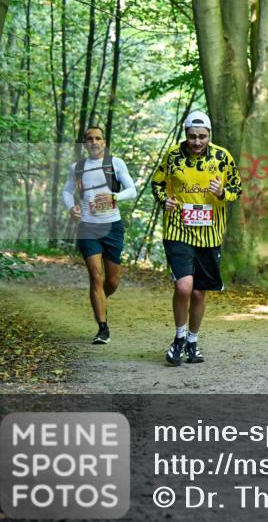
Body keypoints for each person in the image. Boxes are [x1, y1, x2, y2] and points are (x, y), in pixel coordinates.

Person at [151, 112, 242, 366]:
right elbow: (157, 183)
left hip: (210, 232)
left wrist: (223, 192)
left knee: (200, 293)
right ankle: (178, 338)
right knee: (183, 286)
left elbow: (237, 187)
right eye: (192, 136)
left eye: (202, 137)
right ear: (185, 134)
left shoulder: (222, 157)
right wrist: (164, 200)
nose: (197, 142)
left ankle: (192, 341)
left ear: (209, 135)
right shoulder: (173, 156)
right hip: (178, 229)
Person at [61, 126, 137, 344]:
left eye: (98, 138)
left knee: (112, 281)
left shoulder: (115, 163)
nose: (93, 142)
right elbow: (67, 191)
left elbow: (132, 190)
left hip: (112, 226)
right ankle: (102, 328)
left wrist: (114, 198)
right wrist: (71, 207)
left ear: (104, 142)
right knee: (95, 276)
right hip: (88, 227)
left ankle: (100, 299)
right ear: (84, 143)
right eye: (89, 139)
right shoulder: (77, 167)